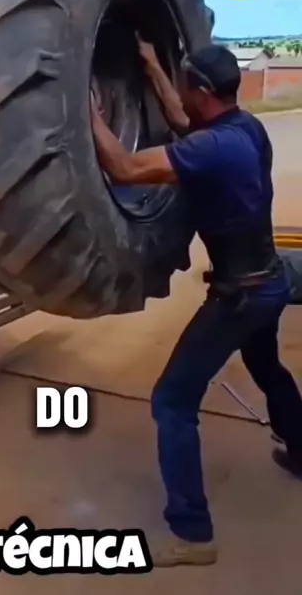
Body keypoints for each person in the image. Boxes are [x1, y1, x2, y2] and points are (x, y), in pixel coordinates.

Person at [90, 39, 302, 568]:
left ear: (204, 91)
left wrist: (89, 116)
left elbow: (126, 168)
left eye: (186, 84)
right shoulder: (245, 129)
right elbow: (184, 120)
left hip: (240, 295)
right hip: (267, 281)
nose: (180, 92)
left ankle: (193, 532)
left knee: (172, 401)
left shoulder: (213, 149)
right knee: (268, 368)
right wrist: (152, 66)